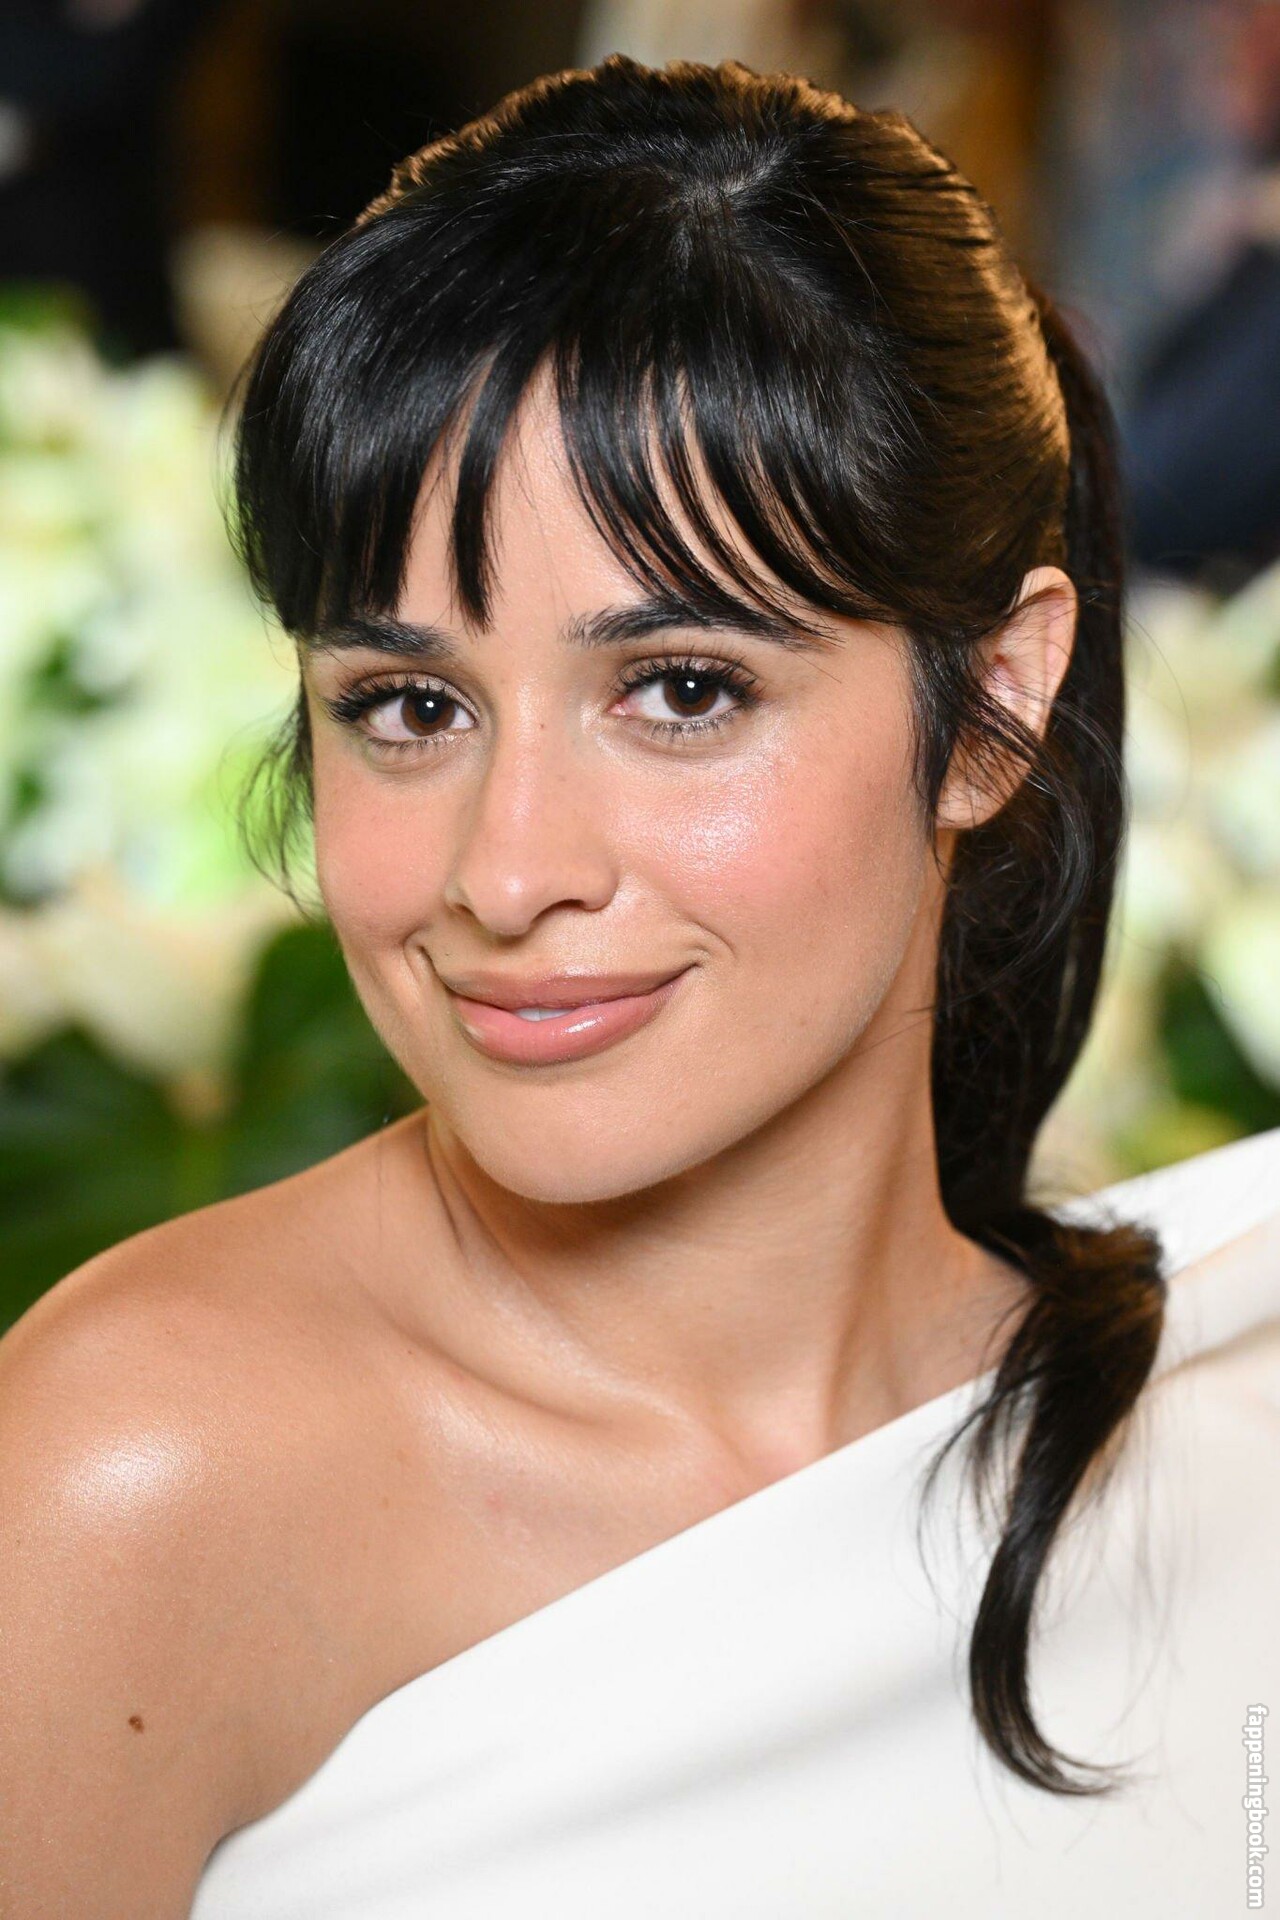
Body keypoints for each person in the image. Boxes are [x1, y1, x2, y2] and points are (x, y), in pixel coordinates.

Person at [1, 54, 1277, 1919]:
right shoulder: (133, 1479)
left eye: (681, 690)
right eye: (408, 707)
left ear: (996, 703)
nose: (506, 872)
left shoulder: (1224, 1439)